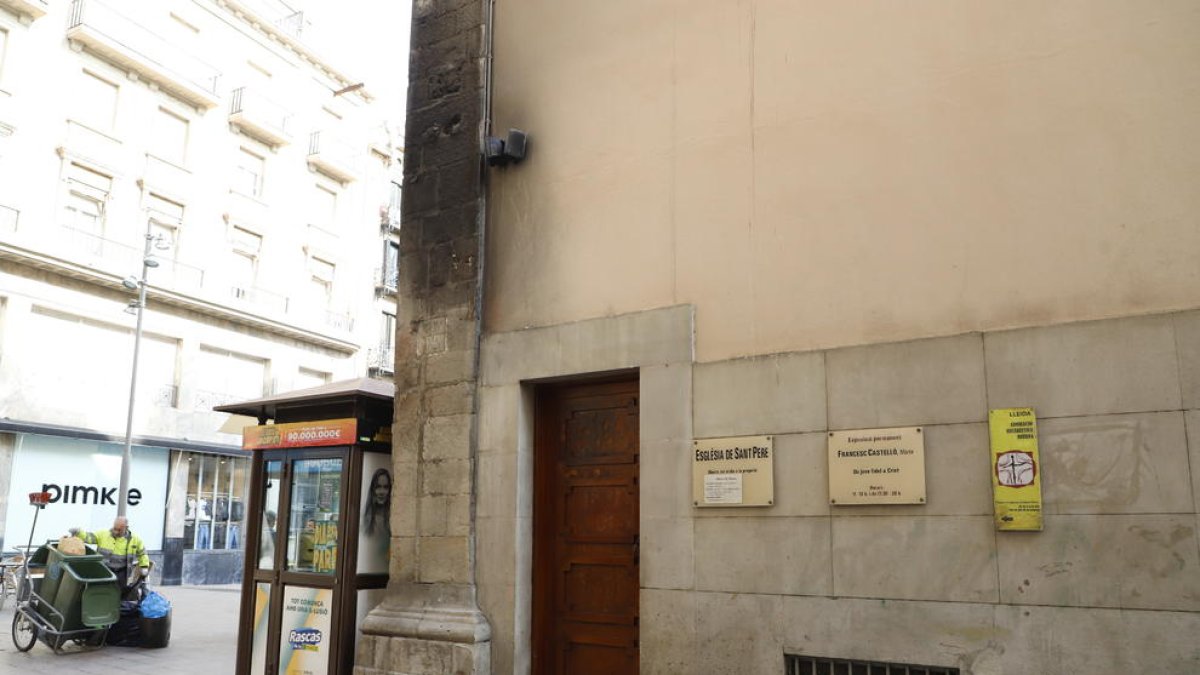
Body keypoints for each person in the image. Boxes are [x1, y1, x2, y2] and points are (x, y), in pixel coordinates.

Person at [90, 517, 150, 600]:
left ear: (126, 528)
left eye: (119, 530)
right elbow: (89, 537)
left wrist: (144, 566)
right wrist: (78, 533)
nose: (116, 532)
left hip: (121, 573)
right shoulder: (103, 534)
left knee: (118, 595)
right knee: (103, 593)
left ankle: (116, 611)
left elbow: (142, 553)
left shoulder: (135, 540)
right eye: (115, 529)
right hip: (105, 571)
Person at [362, 468, 392, 537]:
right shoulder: (364, 519)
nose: (382, 492)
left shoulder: (393, 518)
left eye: (386, 487)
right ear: (372, 489)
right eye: (378, 487)